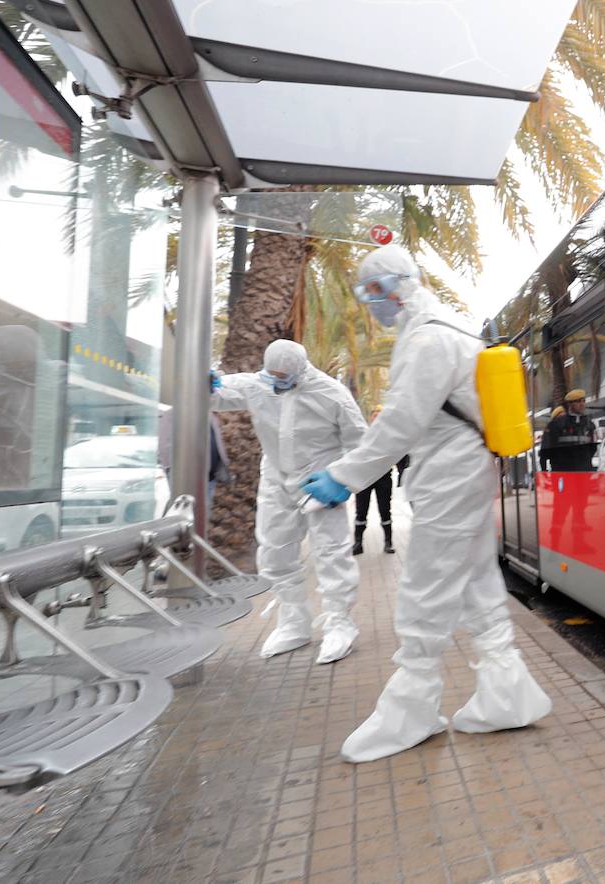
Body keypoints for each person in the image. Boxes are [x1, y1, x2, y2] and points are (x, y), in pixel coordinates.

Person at [302, 244, 551, 763]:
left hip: (448, 478)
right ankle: (507, 695)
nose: (371, 308)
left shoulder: (429, 338)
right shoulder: (454, 329)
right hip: (467, 472)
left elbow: (400, 422)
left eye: (370, 295)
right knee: (479, 580)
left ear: (392, 287)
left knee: (425, 584)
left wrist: (343, 477)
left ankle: (411, 709)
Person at [211, 339, 367, 664]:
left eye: (285, 375)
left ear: (301, 368)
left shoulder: (331, 393)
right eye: (273, 374)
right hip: (275, 478)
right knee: (274, 551)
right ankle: (294, 622)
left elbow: (361, 442)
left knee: (331, 553)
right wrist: (207, 384)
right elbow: (219, 394)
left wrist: (344, 479)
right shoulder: (257, 385)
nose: (278, 381)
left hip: (319, 482)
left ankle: (340, 623)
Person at [352, 406, 395, 555]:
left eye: (380, 416)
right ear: (371, 418)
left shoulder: (390, 436)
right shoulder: (363, 434)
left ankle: (388, 543)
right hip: (363, 479)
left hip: (383, 478)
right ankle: (358, 543)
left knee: (385, 511)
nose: (377, 419)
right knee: (360, 512)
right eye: (375, 416)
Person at [539, 389, 594, 471]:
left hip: (584, 472)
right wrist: (545, 471)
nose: (582, 404)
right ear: (569, 404)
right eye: (578, 402)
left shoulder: (589, 425)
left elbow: (592, 448)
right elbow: (546, 451)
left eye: (583, 401)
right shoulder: (556, 425)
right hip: (563, 472)